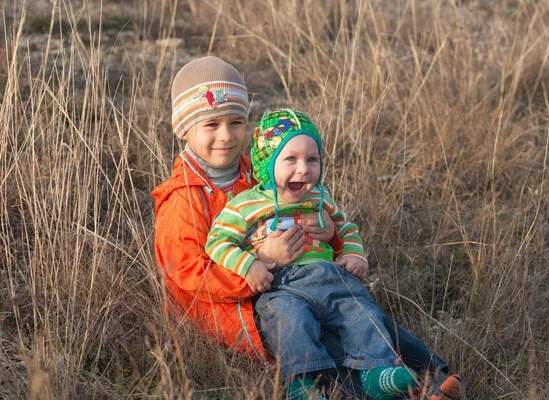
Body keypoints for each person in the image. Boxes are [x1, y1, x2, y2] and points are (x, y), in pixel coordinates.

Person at [152, 56, 463, 399]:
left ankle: (437, 378)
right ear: (184, 128)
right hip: (239, 309)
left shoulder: (259, 168)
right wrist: (260, 260)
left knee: (363, 315)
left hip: (302, 279)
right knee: (326, 348)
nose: (225, 136)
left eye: (236, 122)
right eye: (211, 124)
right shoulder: (183, 199)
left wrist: (329, 232)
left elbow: (308, 213)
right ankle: (408, 392)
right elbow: (188, 277)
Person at [205, 109, 465, 400]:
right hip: (282, 285)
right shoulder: (246, 204)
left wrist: (355, 255)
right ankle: (302, 386)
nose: (303, 169)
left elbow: (347, 228)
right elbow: (217, 241)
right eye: (290, 159)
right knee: (291, 324)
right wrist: (249, 264)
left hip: (330, 277)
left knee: (360, 311)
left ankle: (377, 373)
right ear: (267, 164)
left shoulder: (320, 198)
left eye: (312, 159)